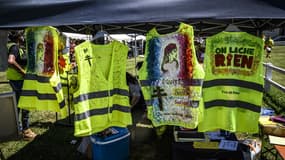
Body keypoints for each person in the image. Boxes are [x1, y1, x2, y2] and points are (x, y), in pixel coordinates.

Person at [6, 31, 37, 141]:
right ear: (18, 37)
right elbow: (11, 61)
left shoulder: (15, 46)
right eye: (22, 35)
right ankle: (25, 130)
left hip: (16, 80)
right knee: (24, 104)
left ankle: (17, 129)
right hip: (18, 80)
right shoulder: (14, 47)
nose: (24, 37)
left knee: (19, 104)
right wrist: (23, 72)